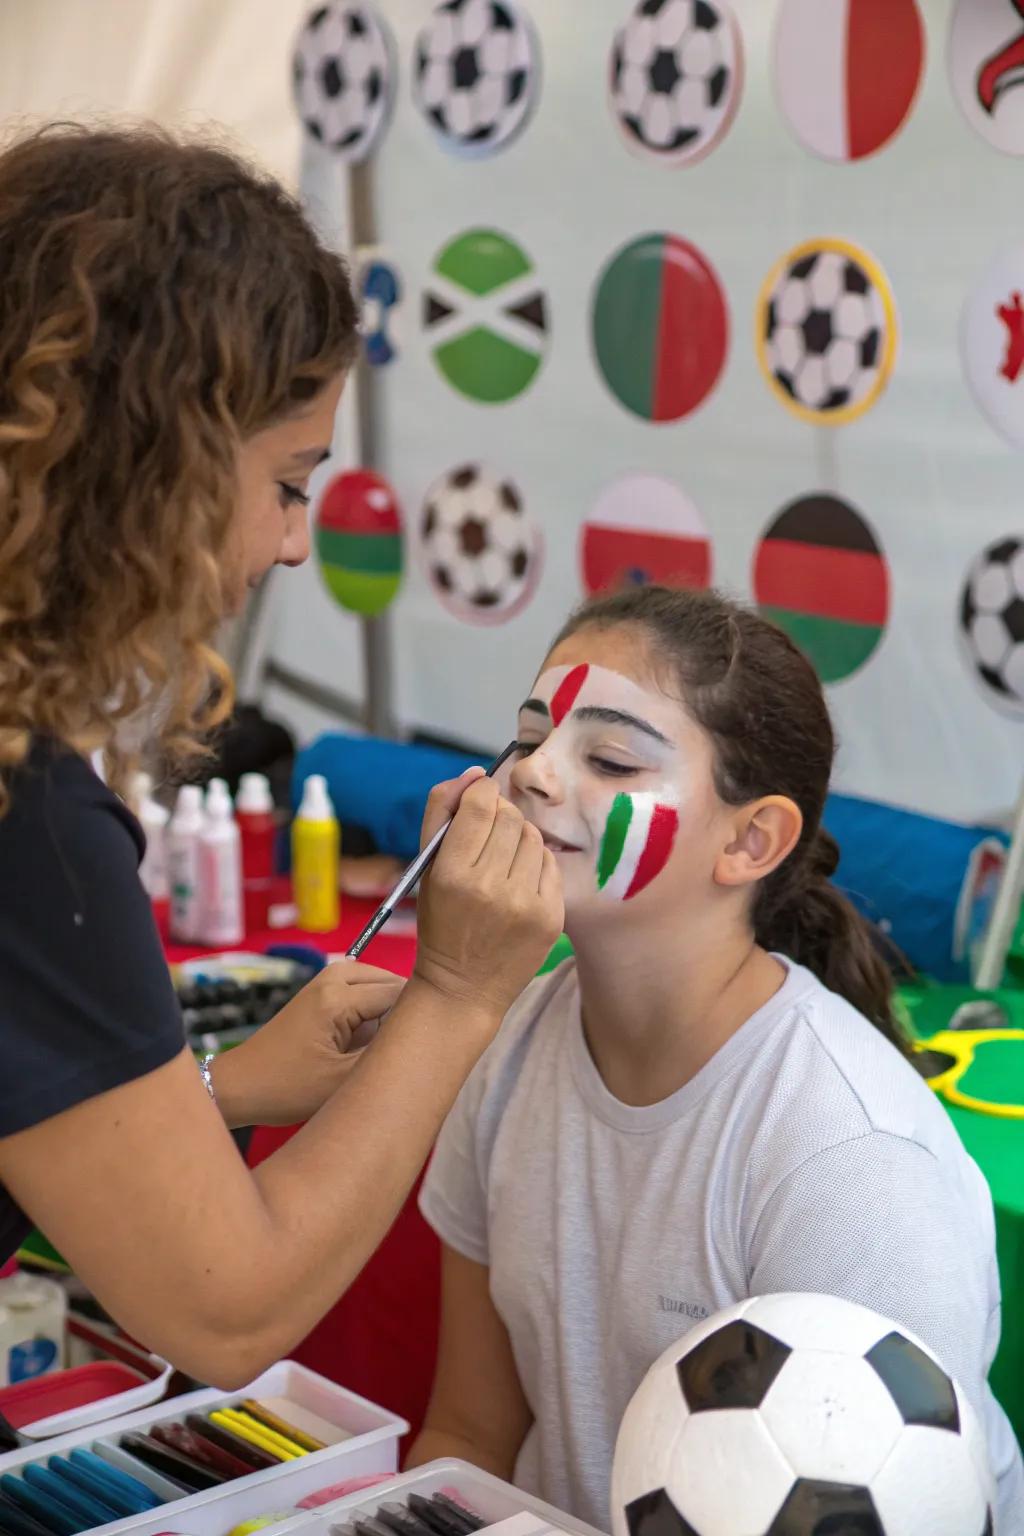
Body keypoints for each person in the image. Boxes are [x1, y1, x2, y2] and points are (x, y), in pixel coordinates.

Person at [0, 124, 562, 1389]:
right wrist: (456, 999)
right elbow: (225, 1314)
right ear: (159, 470)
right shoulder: (31, 829)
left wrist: (221, 1092)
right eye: (291, 483)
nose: (296, 545)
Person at [410, 585, 1024, 1532]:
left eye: (609, 757)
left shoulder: (851, 1165)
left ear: (751, 839)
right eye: (529, 737)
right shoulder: (502, 1045)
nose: (532, 776)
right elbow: (469, 1434)